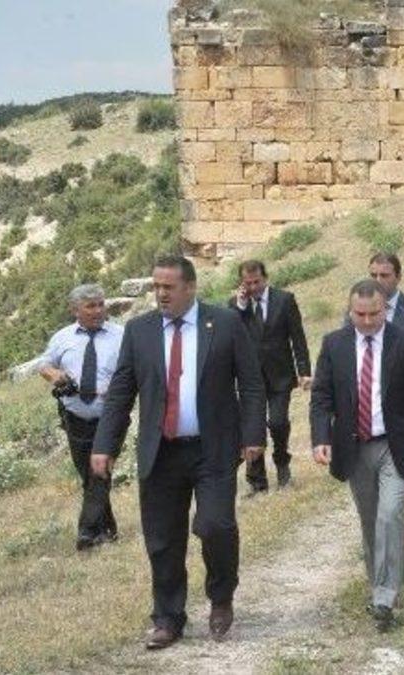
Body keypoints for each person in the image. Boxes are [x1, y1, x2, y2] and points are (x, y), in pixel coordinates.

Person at [91, 255, 266, 650]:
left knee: (216, 525)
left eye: (168, 287)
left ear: (190, 287)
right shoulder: (139, 331)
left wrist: (254, 434)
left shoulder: (225, 323)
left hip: (213, 449)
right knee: (163, 539)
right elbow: (121, 392)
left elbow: (252, 384)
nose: (161, 294)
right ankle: (168, 618)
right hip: (161, 452)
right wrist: (104, 445)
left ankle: (221, 596)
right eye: (156, 287)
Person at [310, 279, 404, 632]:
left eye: (374, 314)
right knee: (370, 520)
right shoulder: (334, 344)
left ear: (385, 310)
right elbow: (321, 396)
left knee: (390, 514)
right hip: (354, 446)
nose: (367, 321)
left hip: (395, 445)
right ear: (350, 311)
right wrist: (321, 437)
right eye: (360, 315)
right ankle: (377, 582)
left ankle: (385, 596)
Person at [38, 284, 125, 550]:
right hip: (74, 418)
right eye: (90, 306)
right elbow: (44, 364)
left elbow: (135, 369)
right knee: (89, 475)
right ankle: (107, 529)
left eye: (101, 304)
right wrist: (55, 375)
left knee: (100, 469)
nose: (98, 311)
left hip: (111, 416)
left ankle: (87, 532)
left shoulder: (121, 335)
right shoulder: (62, 338)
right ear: (75, 310)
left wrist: (119, 387)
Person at [230, 260, 311, 495]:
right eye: (248, 283)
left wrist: (304, 371)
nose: (253, 287)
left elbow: (298, 337)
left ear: (265, 278)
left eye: (257, 282)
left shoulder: (284, 300)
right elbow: (230, 332)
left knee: (277, 422)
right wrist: (241, 305)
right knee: (252, 428)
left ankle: (282, 461)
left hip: (280, 374)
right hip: (249, 379)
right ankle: (257, 482)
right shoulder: (236, 306)